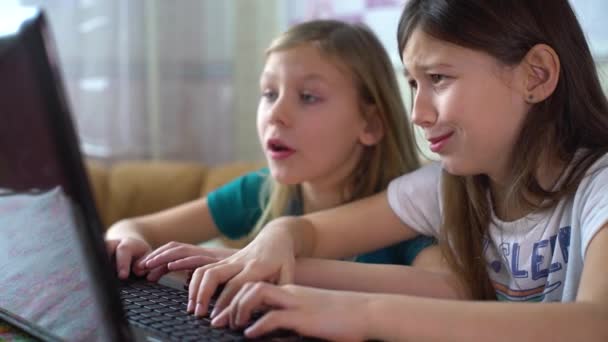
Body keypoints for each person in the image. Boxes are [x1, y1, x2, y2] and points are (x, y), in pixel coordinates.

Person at [179, 1, 608, 340]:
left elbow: (594, 325)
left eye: (438, 77)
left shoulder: (598, 186)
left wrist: (362, 313)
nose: (418, 113)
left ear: (536, 75)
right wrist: (275, 241)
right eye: (413, 84)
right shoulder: (444, 188)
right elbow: (313, 233)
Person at [104, 19, 439, 310]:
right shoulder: (261, 190)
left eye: (308, 96)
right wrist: (127, 243)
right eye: (268, 93)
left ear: (371, 125)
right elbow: (132, 228)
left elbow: (445, 290)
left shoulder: (406, 213)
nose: (276, 114)